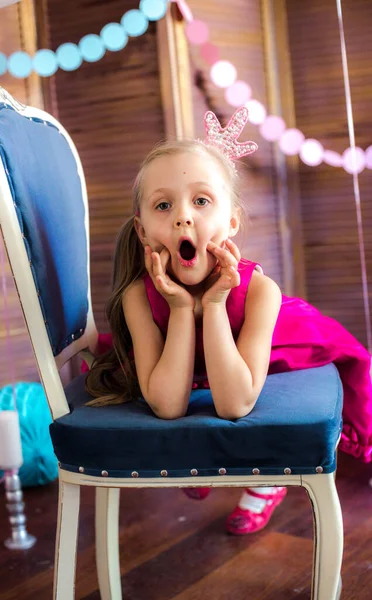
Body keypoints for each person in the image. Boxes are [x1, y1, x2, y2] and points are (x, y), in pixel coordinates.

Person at [84, 107, 372, 535]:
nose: (184, 216)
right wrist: (182, 310)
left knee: (257, 388)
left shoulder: (261, 292)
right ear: (143, 231)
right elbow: (167, 405)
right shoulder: (137, 298)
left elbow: (235, 404)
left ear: (231, 221)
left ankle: (268, 483)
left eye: (201, 201)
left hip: (271, 345)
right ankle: (197, 467)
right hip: (189, 358)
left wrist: (215, 304)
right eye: (164, 205)